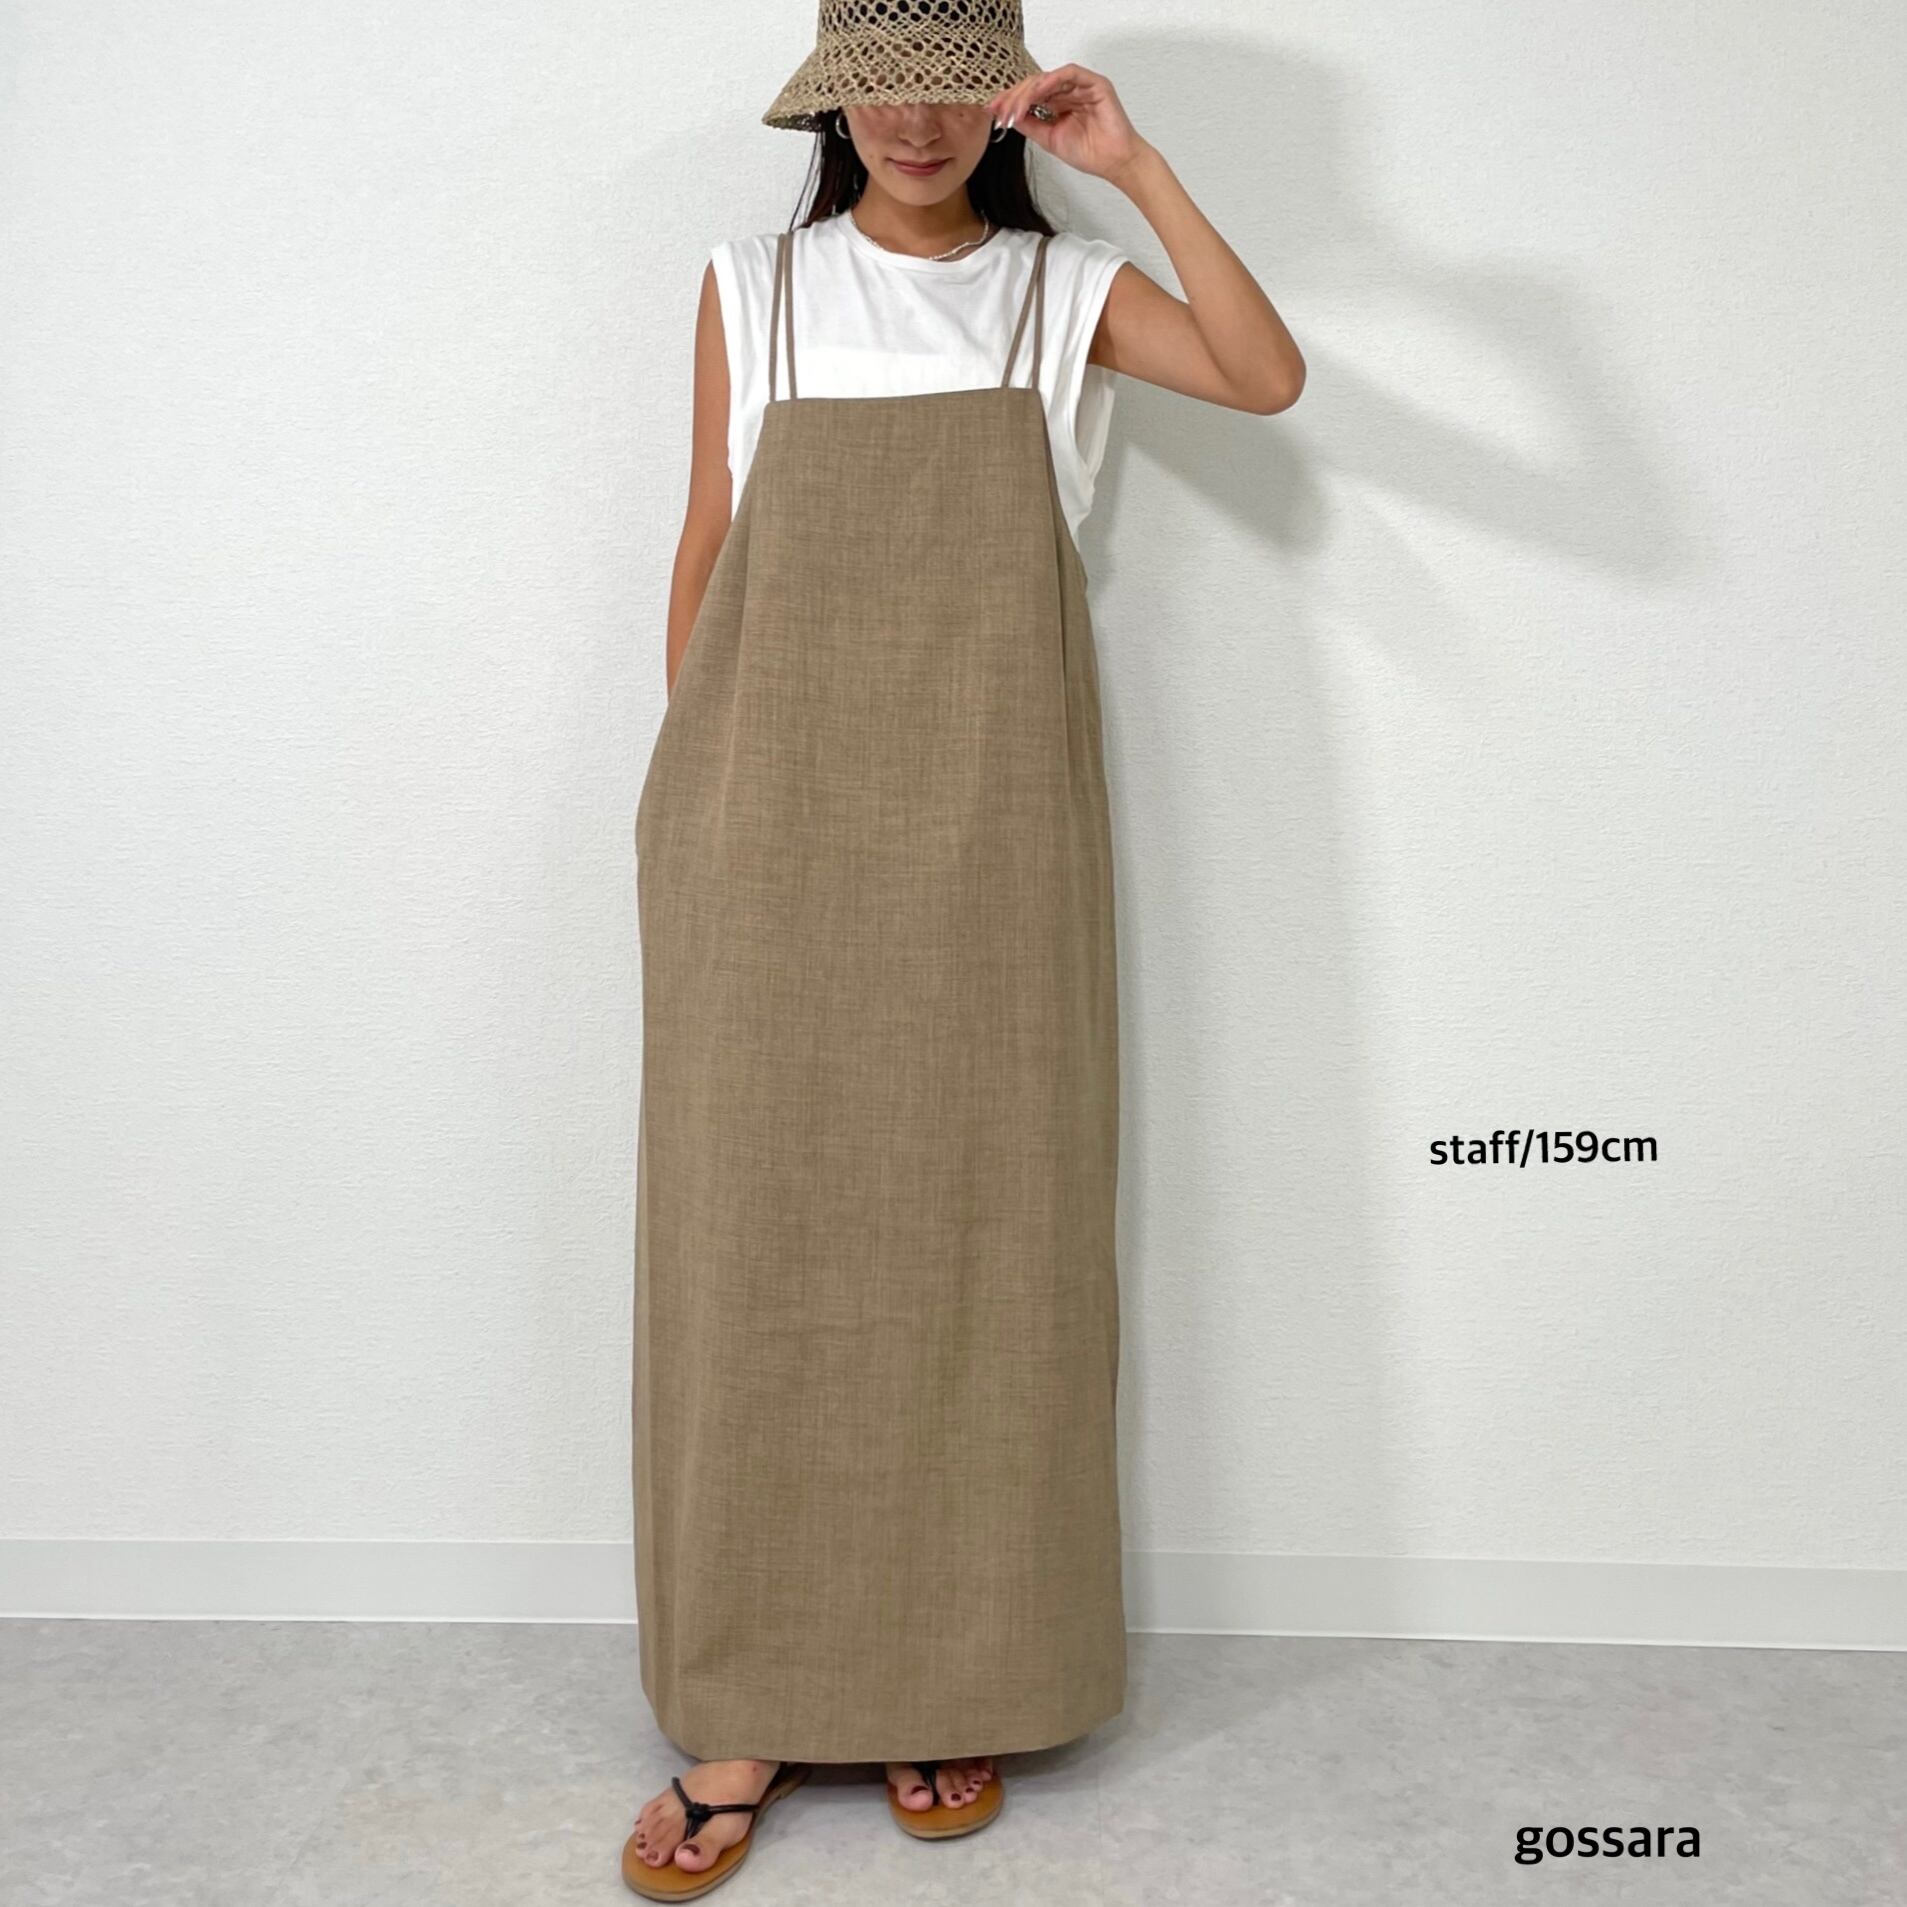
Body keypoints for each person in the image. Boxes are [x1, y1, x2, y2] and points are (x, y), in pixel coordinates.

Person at [624, 2, 1304, 1894]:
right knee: (754, 1249)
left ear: (1006, 104)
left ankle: (952, 1674)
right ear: (832, 104)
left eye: (950, 82)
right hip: (764, 834)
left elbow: (1265, 378)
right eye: (878, 83)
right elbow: (705, 544)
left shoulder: (1054, 292)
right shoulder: (753, 287)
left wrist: (1136, 170)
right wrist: (697, 801)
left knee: (985, 1246)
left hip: (998, 846)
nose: (912, 120)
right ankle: (749, 1696)